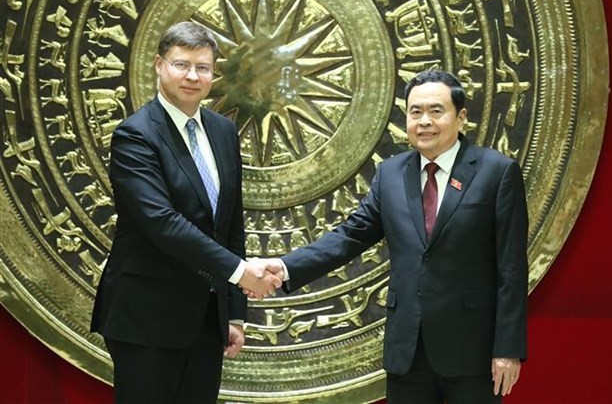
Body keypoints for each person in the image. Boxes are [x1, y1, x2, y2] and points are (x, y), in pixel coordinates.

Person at [256, 70, 529, 403]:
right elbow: (349, 237)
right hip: (407, 351)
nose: (424, 121)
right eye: (415, 112)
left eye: (435, 111)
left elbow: (512, 269)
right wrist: (285, 267)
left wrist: (508, 348)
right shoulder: (391, 174)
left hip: (471, 350)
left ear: (461, 118)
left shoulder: (496, 172)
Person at [91, 21, 280, 404]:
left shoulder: (222, 131)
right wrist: (242, 272)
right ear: (160, 65)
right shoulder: (136, 135)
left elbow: (230, 224)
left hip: (207, 320)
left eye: (203, 67)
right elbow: (162, 223)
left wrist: (235, 313)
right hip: (146, 319)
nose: (193, 76)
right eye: (182, 65)